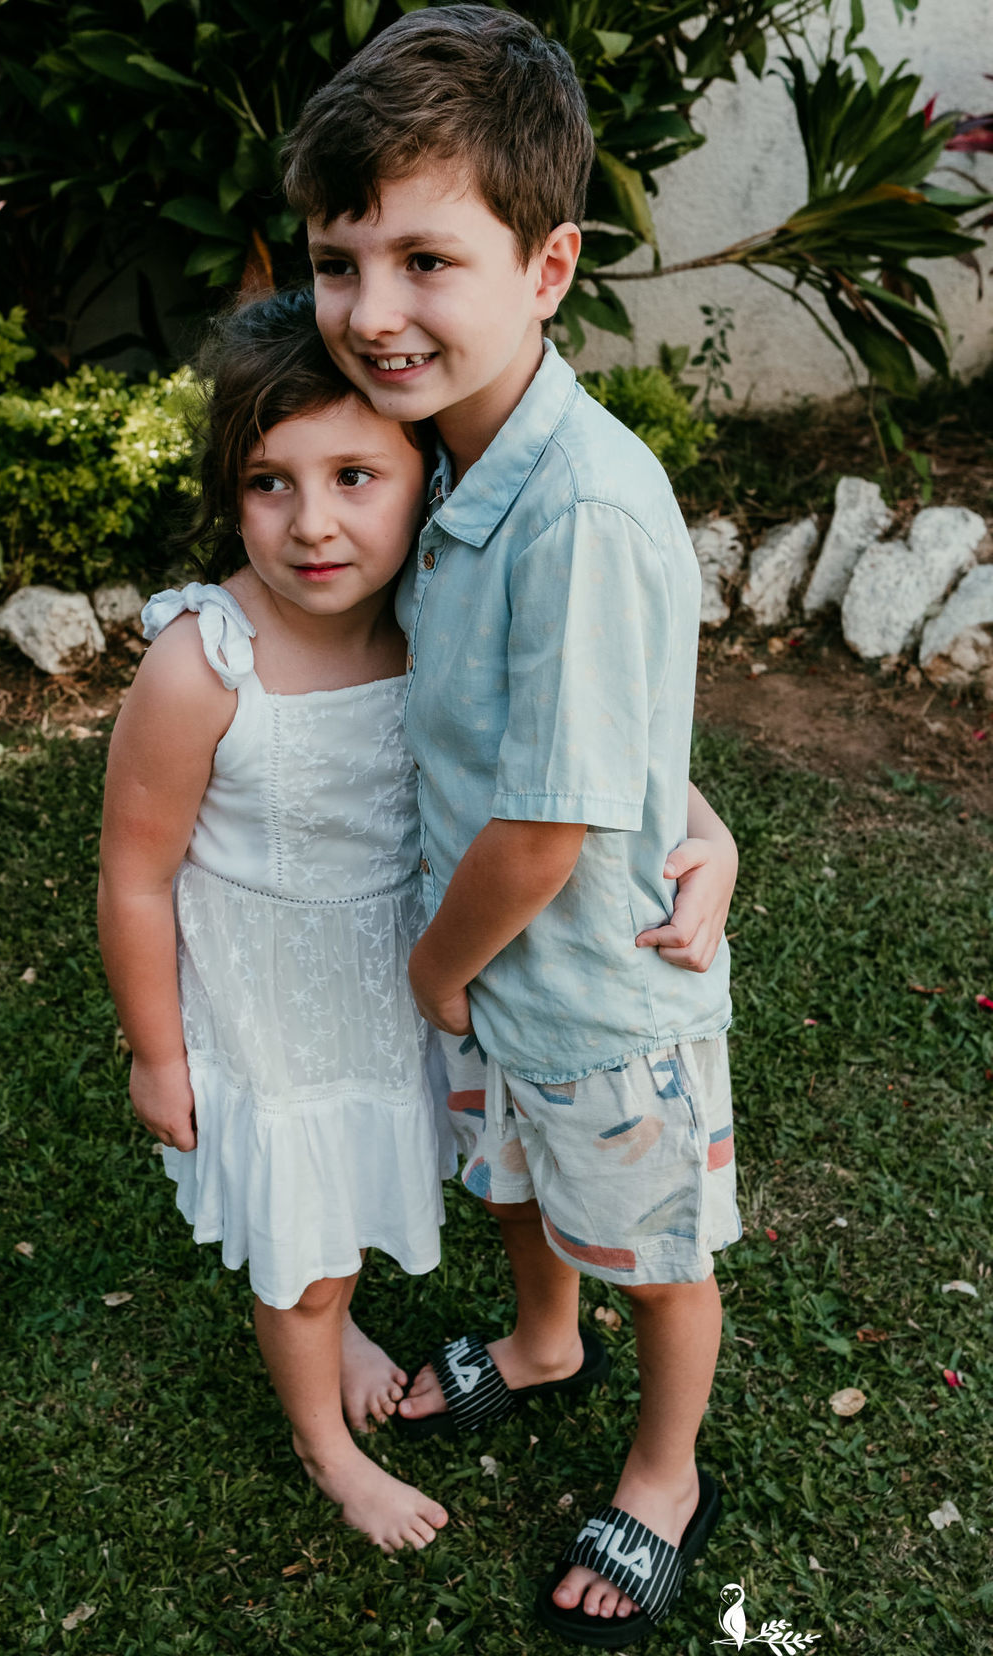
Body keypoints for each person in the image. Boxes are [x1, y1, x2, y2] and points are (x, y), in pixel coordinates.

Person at [98, 287, 736, 1563]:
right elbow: (134, 876)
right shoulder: (201, 664)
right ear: (229, 494)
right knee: (308, 1247)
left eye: (354, 476)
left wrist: (709, 833)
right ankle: (328, 1447)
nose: (313, 523)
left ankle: (382, 1330)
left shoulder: (430, 617)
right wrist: (158, 1054)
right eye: (269, 484)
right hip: (278, 1014)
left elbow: (587, 747)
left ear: (426, 485)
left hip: (404, 998)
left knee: (357, 1198)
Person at [283, 3, 740, 1643]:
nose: (373, 312)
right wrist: (701, 812)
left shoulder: (583, 511)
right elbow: (592, 720)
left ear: (548, 270)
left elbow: (549, 827)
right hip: (488, 968)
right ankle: (544, 1341)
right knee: (510, 1184)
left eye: (426, 261)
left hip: (589, 982)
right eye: (340, 263)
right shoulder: (442, 457)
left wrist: (432, 972)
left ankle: (666, 1472)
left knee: (652, 1248)